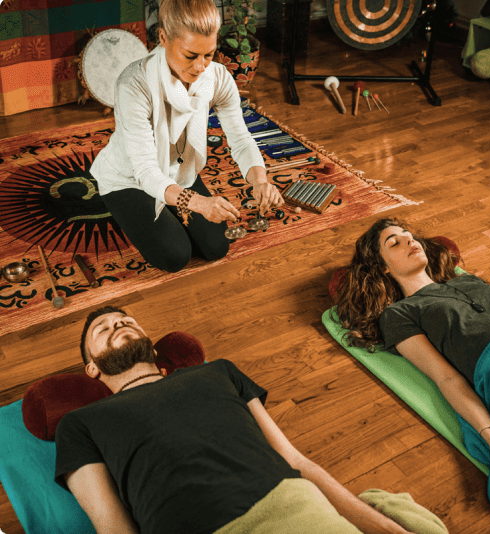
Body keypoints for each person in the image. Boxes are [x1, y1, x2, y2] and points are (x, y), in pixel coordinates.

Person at [54, 306, 422, 534]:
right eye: (103, 329)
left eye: (126, 320)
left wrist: (384, 528)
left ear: (151, 347)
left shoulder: (216, 372)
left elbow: (293, 459)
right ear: (91, 367)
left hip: (293, 509)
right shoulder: (81, 423)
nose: (118, 325)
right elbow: (112, 526)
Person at [333, 217, 490, 489]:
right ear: (384, 268)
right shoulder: (398, 314)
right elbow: (445, 378)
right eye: (394, 243)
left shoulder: (469, 283)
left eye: (408, 235)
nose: (409, 241)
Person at [90, 0, 283, 273]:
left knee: (216, 247)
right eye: (190, 55)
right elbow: (146, 170)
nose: (201, 67)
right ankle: (124, 206)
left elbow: (240, 138)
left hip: (180, 171)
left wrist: (259, 180)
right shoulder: (133, 84)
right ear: (164, 38)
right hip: (130, 179)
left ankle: (171, 203)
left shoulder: (217, 77)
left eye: (209, 54)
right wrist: (199, 203)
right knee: (175, 257)